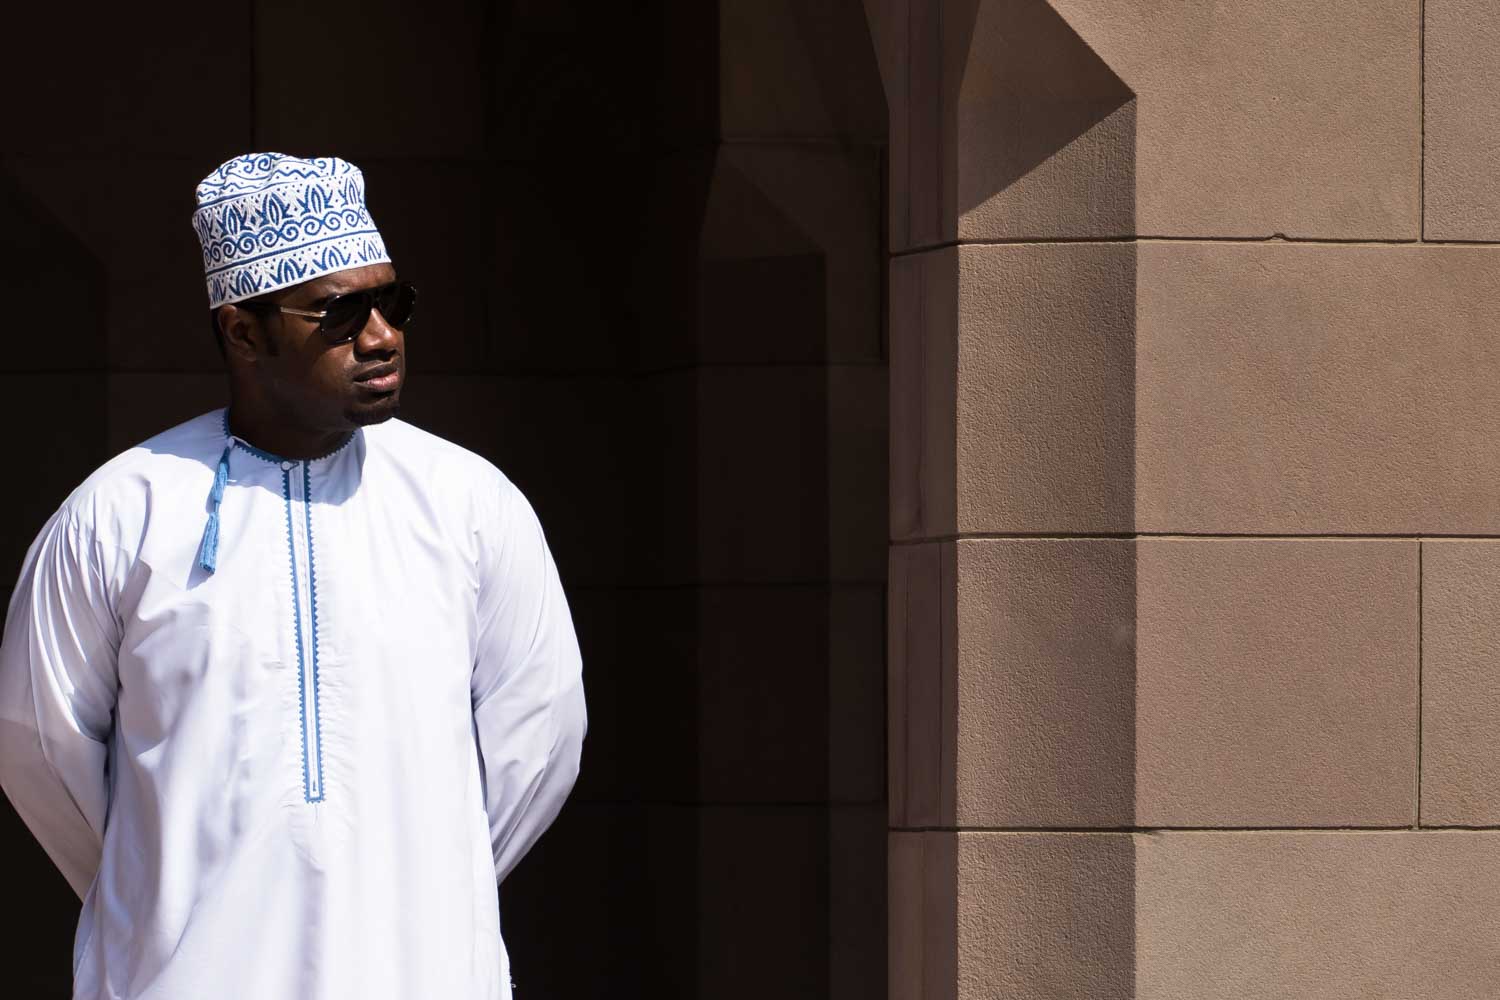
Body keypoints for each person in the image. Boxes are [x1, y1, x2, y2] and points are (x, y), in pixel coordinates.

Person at [0, 153, 586, 1000]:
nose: (381, 337)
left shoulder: (468, 503)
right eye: (341, 313)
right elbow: (38, 749)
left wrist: (420, 884)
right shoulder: (121, 514)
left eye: (394, 304)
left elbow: (542, 737)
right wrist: (165, 888)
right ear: (242, 331)